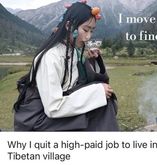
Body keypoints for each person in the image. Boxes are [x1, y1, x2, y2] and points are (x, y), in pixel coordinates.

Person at [13, 1, 119, 131]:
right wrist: (97, 93)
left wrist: (91, 61)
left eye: (91, 31)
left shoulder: (72, 51)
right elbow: (53, 107)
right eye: (85, 30)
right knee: (101, 105)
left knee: (104, 102)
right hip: (39, 119)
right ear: (69, 26)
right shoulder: (50, 57)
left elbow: (77, 83)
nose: (88, 37)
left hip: (55, 113)